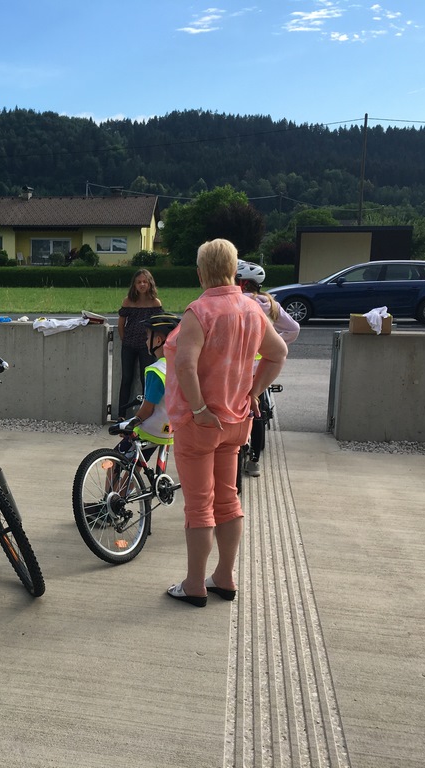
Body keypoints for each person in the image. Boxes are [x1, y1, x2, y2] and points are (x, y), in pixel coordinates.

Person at [163, 239, 288, 608]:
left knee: (199, 506)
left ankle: (194, 585)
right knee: (228, 499)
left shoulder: (199, 312)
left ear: (200, 272)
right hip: (236, 420)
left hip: (200, 423)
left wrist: (199, 408)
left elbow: (185, 365)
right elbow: (278, 352)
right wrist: (254, 392)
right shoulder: (251, 309)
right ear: (234, 270)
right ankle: (224, 577)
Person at [236, 260, 300, 477]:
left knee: (239, 408)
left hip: (239, 367)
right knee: (258, 410)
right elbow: (293, 329)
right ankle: (254, 460)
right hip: (264, 366)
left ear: (241, 282)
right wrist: (273, 343)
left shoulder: (238, 302)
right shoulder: (269, 303)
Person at [115, 313, 181, 457]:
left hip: (152, 430)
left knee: (116, 460)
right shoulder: (181, 366)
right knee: (139, 459)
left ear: (158, 340)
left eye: (147, 337)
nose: (145, 341)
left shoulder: (156, 370)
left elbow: (147, 410)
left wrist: (131, 424)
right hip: (172, 430)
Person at [116, 268, 162, 418]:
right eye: (139, 282)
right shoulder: (128, 301)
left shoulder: (155, 303)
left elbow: (158, 325)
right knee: (126, 378)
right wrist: (124, 339)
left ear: (150, 284)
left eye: (145, 282)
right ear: (134, 285)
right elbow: (121, 324)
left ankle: (144, 415)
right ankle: (121, 414)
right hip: (129, 345)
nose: (142, 285)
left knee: (146, 379)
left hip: (146, 347)